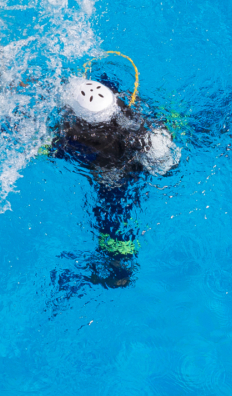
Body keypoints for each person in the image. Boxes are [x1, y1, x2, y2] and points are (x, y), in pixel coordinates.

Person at [45, 77, 180, 292]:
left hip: (117, 184)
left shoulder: (75, 141)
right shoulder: (128, 108)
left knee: (114, 231)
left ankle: (119, 275)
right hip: (150, 150)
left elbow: (45, 147)